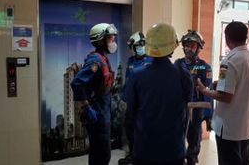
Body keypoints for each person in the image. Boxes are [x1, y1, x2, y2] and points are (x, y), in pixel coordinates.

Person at [125, 23, 193, 165]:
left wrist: (133, 146)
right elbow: (188, 105)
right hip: (173, 150)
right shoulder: (182, 75)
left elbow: (130, 115)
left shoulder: (136, 76)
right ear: (173, 45)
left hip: (144, 150)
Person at [196, 21, 249, 165]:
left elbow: (225, 97)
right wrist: (218, 84)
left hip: (230, 129)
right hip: (248, 128)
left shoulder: (229, 62)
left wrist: (204, 90)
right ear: (245, 37)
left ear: (227, 39)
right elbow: (242, 86)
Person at [71, 23, 118, 165]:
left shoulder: (103, 58)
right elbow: (77, 82)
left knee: (100, 154)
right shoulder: (95, 61)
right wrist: (86, 107)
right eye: (110, 38)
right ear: (100, 41)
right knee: (102, 155)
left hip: (103, 113)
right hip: (97, 116)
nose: (113, 42)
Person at [174, 30, 213, 165]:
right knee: (178, 133)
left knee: (194, 135)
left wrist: (209, 115)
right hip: (180, 106)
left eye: (193, 46)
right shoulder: (178, 64)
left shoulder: (204, 66)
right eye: (187, 45)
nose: (189, 48)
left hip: (196, 108)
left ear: (198, 48)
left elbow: (206, 90)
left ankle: (191, 158)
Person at [118, 31, 153, 165]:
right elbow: (127, 82)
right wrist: (123, 99)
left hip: (145, 103)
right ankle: (133, 154)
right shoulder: (131, 61)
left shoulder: (151, 60)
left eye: (142, 44)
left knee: (144, 130)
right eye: (137, 45)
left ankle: (145, 156)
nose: (139, 47)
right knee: (130, 128)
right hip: (132, 104)